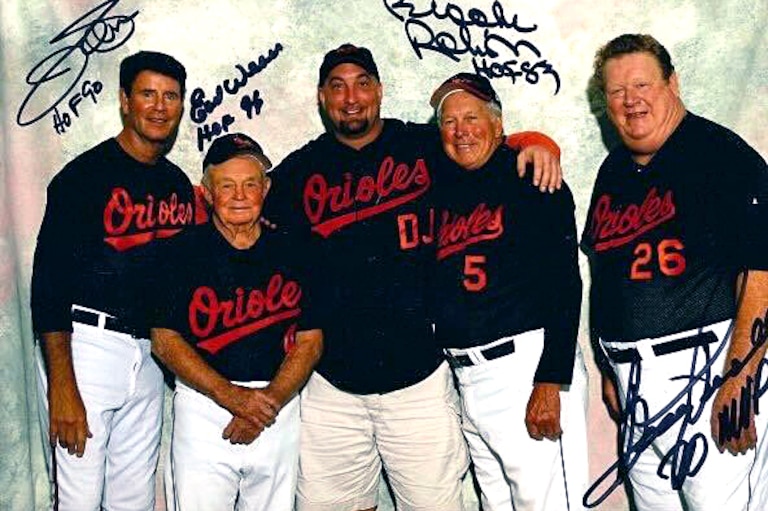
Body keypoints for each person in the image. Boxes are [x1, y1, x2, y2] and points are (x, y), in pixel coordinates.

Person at [264, 43, 563, 511]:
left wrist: (537, 143)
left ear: (380, 91)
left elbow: (480, 140)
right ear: (322, 97)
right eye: (337, 87)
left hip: (419, 378)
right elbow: (235, 198)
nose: (351, 98)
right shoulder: (298, 172)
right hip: (332, 386)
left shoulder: (422, 147)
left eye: (362, 84)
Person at [581, 33, 768, 510]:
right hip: (635, 384)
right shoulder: (613, 172)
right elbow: (605, 272)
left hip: (709, 375)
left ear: (672, 83)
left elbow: (762, 271)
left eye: (642, 84)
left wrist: (741, 383)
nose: (631, 101)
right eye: (617, 91)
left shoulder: (721, 155)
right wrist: (610, 366)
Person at [30, 51, 195, 510]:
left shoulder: (178, 185)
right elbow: (48, 286)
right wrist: (63, 384)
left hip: (149, 354)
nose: (160, 106)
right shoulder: (82, 177)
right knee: (80, 498)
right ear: (124, 101)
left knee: (134, 500)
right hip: (87, 347)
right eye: (147, 94)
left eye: (171, 96)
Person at [428, 72, 589, 511]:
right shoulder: (441, 187)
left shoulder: (531, 176)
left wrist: (551, 380)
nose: (461, 130)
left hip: (526, 367)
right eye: (449, 121)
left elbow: (564, 282)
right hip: (467, 376)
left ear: (498, 125)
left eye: (472, 117)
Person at [150, 133, 323, 511]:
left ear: (267, 188)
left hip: (277, 405)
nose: (240, 195)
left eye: (250, 184)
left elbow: (311, 341)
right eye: (227, 186)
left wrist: (268, 403)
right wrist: (232, 398)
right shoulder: (179, 251)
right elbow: (164, 340)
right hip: (205, 405)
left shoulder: (295, 248)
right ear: (207, 193)